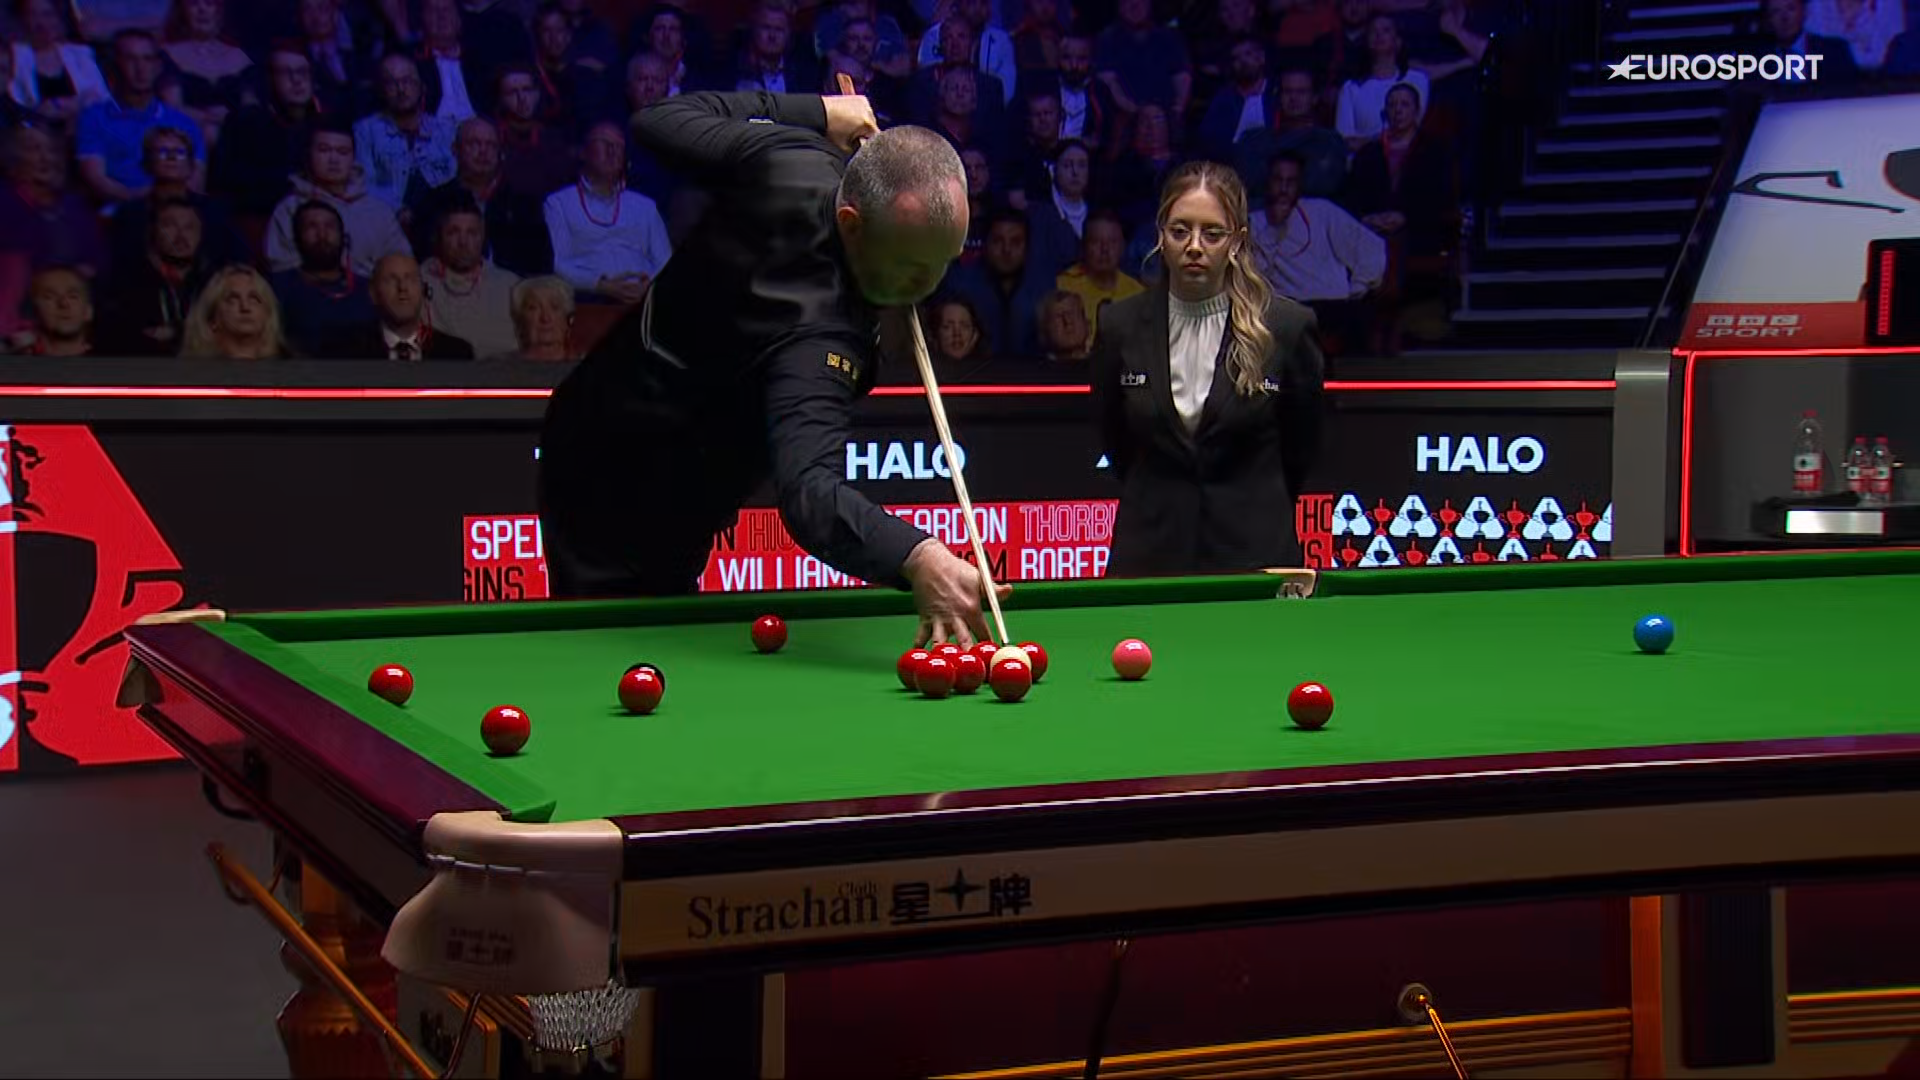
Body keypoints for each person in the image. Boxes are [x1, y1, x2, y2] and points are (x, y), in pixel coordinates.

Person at [537, 89, 1006, 648]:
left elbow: (662, 119)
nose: (925, 289)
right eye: (910, 267)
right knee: (622, 654)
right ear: (852, 223)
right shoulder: (816, 330)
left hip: (674, 452)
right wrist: (918, 556)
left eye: (941, 265)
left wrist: (818, 115)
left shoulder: (794, 155)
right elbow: (811, 492)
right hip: (615, 475)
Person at [1091, 161, 1326, 578]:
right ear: (1161, 235)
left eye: (1212, 233)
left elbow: (1300, 449)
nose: (1195, 246)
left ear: (1237, 240)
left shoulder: (1287, 328)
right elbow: (1117, 442)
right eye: (1180, 231)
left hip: (1254, 557)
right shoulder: (1118, 325)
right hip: (1150, 556)